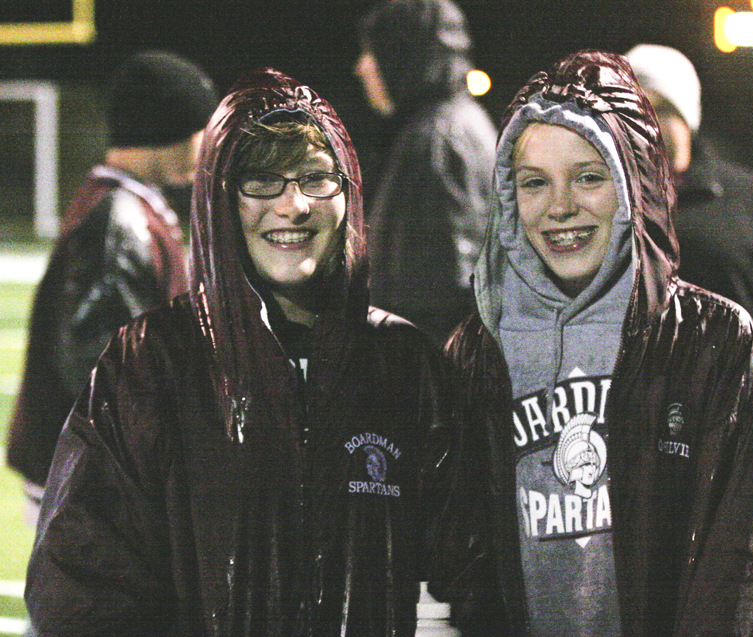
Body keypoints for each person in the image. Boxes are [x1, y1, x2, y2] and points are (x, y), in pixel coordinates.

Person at [25, 67, 447, 636]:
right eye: (261, 181)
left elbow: (458, 571)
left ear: (349, 194)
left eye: (316, 177)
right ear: (220, 199)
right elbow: (82, 590)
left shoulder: (402, 361)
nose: (292, 205)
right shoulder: (151, 363)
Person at [428, 50, 753, 636]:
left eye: (589, 176)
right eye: (534, 182)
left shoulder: (713, 340)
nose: (561, 205)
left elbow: (732, 566)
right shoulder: (476, 351)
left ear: (632, 184)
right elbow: (461, 561)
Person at [5, 50, 218, 521]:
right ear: (167, 129)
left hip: (94, 470)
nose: (205, 147)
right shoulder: (119, 221)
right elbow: (102, 365)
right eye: (200, 131)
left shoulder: (123, 205)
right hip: (95, 480)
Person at [626, 43, 753, 460]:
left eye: (659, 108)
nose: (643, 125)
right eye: (631, 112)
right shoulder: (606, 205)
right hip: (649, 433)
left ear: (686, 116)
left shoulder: (748, 200)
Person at [354, 0, 497, 346]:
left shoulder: (437, 139)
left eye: (372, 52)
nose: (361, 67)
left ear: (401, 55)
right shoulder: (452, 125)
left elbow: (441, 293)